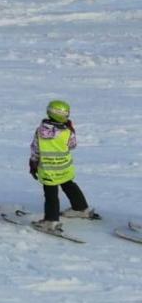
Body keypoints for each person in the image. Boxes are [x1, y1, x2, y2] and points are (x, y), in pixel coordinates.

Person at [29, 100, 95, 233]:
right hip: (64, 167)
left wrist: (33, 162)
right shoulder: (67, 131)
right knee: (69, 185)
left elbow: (36, 149)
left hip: (48, 169)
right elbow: (72, 145)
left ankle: (51, 221)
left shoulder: (40, 131)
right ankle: (81, 208)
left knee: (51, 194)